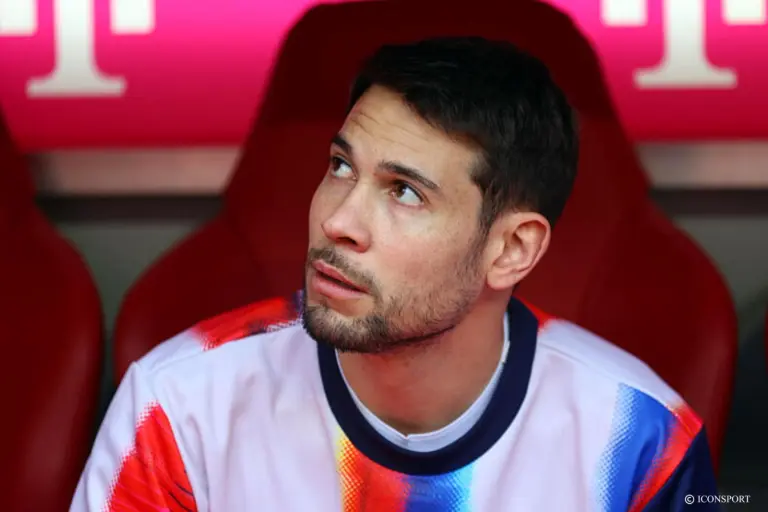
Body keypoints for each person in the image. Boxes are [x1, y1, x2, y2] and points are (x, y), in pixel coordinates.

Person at [70, 36, 720, 511]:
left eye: (405, 192)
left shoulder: (640, 437)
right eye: (340, 167)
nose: (338, 221)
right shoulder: (178, 407)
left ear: (511, 250)